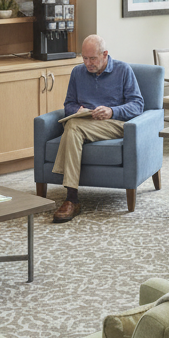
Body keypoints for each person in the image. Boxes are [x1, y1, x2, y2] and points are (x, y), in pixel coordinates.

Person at [50, 34, 145, 223]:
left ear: (105, 54)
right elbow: (68, 104)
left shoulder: (123, 70)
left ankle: (71, 198)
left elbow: (138, 105)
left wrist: (112, 111)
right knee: (73, 125)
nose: (88, 63)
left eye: (92, 58)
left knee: (72, 127)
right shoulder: (77, 73)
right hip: (85, 122)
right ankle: (71, 198)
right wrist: (78, 110)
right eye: (84, 58)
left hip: (115, 123)